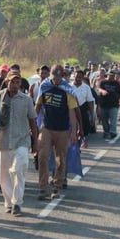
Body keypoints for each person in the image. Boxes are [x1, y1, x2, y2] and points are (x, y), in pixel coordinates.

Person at [0, 70, 38, 216]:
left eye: (17, 82)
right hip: (4, 141)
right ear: (7, 82)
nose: (15, 85)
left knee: (18, 170)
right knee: (4, 175)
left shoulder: (26, 100)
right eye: (12, 82)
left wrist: (35, 141)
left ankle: (17, 202)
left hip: (22, 140)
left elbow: (32, 121)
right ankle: (8, 202)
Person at [35, 65, 77, 201]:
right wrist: (33, 125)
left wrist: (73, 132)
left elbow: (72, 112)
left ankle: (56, 187)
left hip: (62, 129)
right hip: (47, 127)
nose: (56, 81)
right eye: (54, 78)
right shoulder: (44, 86)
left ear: (62, 76)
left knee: (60, 160)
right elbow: (38, 106)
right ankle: (43, 187)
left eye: (59, 78)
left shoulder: (68, 90)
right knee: (42, 156)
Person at [71, 70, 95, 148]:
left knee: (84, 127)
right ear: (74, 76)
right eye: (76, 76)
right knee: (73, 128)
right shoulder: (69, 86)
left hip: (83, 109)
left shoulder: (86, 87)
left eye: (80, 77)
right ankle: (75, 145)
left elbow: (90, 102)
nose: (78, 78)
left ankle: (84, 141)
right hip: (72, 110)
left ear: (83, 78)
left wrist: (92, 116)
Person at [98, 70, 120, 139]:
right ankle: (106, 131)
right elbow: (99, 89)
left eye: (113, 76)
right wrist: (103, 91)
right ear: (107, 75)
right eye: (110, 75)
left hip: (114, 104)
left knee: (113, 119)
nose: (111, 77)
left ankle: (113, 132)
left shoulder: (117, 83)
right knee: (104, 120)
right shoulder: (103, 82)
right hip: (104, 104)